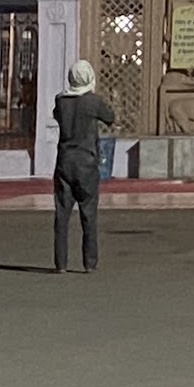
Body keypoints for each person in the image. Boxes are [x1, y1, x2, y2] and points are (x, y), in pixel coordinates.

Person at [52, 59, 114, 274]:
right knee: (88, 213)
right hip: (86, 161)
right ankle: (89, 262)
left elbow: (56, 116)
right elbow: (110, 117)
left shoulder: (61, 101)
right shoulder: (93, 101)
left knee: (61, 214)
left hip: (64, 161)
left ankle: (61, 263)